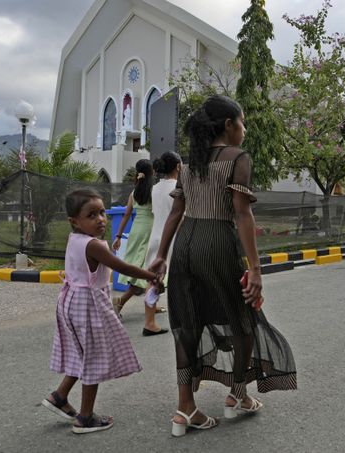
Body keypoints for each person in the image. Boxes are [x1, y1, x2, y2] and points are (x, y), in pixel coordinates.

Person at [148, 95, 297, 437]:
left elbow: (176, 212)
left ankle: (185, 408)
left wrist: (161, 255)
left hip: (185, 244)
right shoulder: (237, 157)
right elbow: (242, 212)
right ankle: (238, 395)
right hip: (217, 241)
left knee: (186, 321)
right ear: (229, 126)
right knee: (242, 318)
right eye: (242, 122)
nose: (244, 129)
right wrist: (256, 270)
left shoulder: (191, 163)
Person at [43, 189, 161, 434]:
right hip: (87, 305)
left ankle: (59, 396)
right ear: (74, 221)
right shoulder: (93, 245)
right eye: (91, 215)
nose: (100, 219)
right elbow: (122, 267)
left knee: (83, 354)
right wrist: (152, 276)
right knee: (93, 358)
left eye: (102, 213)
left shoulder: (76, 239)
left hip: (71, 302)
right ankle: (85, 418)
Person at [112, 159, 166, 336]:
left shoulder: (134, 192)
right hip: (150, 232)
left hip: (136, 232)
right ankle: (120, 301)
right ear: (151, 172)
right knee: (147, 272)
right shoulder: (153, 191)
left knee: (140, 269)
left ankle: (153, 305)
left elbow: (126, 215)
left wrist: (119, 236)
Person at [142, 151, 183, 290]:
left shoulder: (154, 188)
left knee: (152, 279)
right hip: (173, 240)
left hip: (155, 237)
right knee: (176, 282)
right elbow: (180, 217)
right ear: (178, 167)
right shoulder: (179, 188)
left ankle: (150, 312)